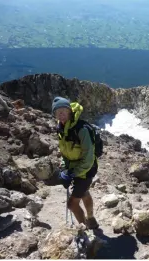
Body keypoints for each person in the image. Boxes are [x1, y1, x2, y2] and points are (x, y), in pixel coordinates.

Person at [52, 96, 99, 229]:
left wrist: (71, 174)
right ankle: (91, 219)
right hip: (74, 168)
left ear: (69, 111)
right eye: (57, 112)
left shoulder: (81, 129)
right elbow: (64, 152)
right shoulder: (61, 128)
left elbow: (88, 158)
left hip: (86, 169)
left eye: (63, 111)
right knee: (84, 192)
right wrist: (63, 168)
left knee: (72, 204)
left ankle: (85, 229)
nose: (61, 115)